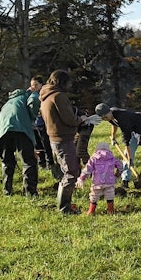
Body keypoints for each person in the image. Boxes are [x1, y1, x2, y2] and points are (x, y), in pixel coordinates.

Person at [40, 70, 98, 214]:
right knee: (71, 173)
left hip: (55, 138)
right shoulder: (58, 96)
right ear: (62, 82)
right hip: (63, 138)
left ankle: (64, 206)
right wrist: (81, 119)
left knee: (68, 171)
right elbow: (69, 118)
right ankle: (64, 208)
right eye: (68, 83)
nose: (69, 85)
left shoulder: (45, 96)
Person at [94, 103, 141, 191]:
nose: (105, 119)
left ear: (109, 111)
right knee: (126, 155)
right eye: (103, 118)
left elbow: (127, 141)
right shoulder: (111, 116)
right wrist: (113, 137)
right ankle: (125, 181)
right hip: (135, 129)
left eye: (106, 117)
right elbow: (114, 124)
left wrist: (130, 159)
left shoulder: (122, 118)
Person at [0, 87, 41, 196]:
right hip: (20, 128)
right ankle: (30, 192)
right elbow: (34, 100)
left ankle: (7, 190)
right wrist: (34, 115)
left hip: (3, 130)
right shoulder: (31, 95)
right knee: (28, 161)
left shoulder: (9, 102)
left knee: (7, 161)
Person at [76, 142, 126, 215]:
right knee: (110, 195)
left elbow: (87, 169)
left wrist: (82, 178)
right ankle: (111, 210)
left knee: (94, 196)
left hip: (97, 182)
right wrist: (117, 175)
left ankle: (91, 211)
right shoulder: (112, 158)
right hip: (109, 181)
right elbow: (120, 166)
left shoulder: (94, 158)